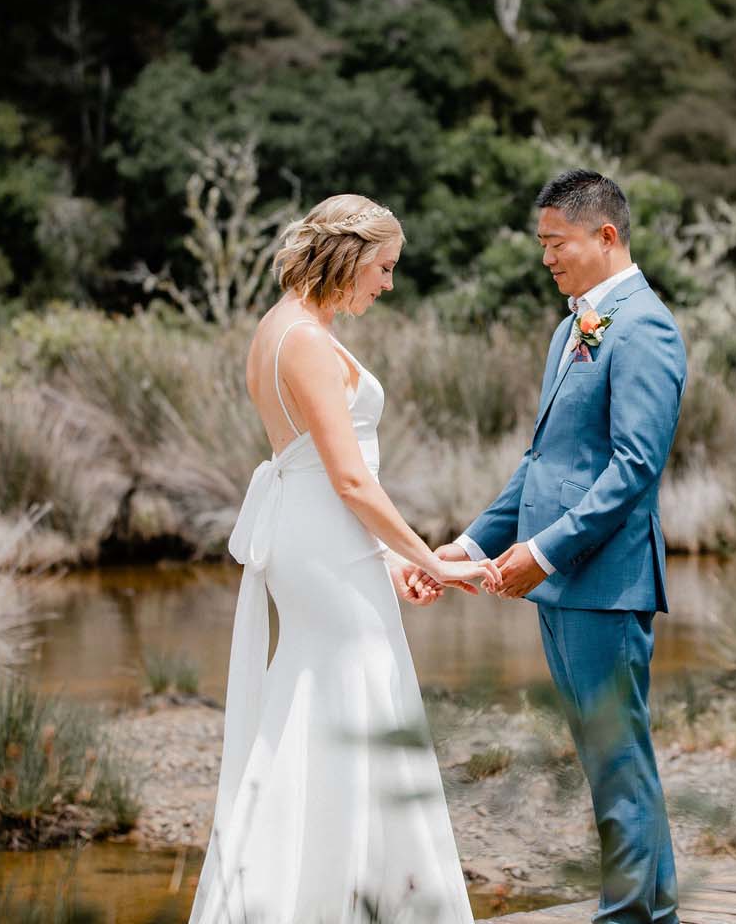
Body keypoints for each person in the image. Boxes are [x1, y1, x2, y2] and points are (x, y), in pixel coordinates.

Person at [188, 193, 500, 924]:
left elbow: (331, 477)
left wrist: (390, 564)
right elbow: (351, 478)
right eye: (384, 268)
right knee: (357, 694)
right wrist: (435, 558)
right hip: (322, 542)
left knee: (327, 702)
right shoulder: (302, 339)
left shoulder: (282, 328)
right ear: (350, 255)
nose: (387, 285)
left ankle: (333, 893)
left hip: (322, 543)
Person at [416, 168, 686, 924]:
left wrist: (547, 551)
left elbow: (635, 468)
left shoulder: (646, 326)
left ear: (605, 236)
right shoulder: (572, 327)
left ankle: (630, 917)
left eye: (555, 242)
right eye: (541, 244)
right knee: (612, 759)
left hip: (606, 582)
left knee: (617, 760)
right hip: (565, 585)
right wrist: (468, 544)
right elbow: (543, 464)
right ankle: (651, 914)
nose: (546, 258)